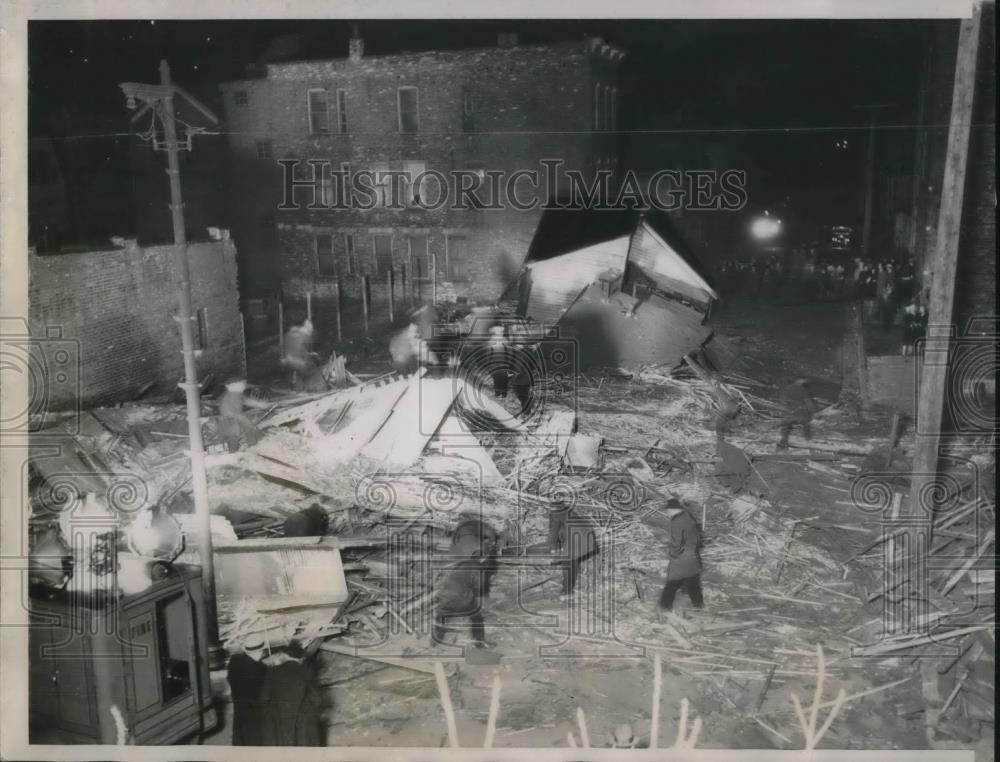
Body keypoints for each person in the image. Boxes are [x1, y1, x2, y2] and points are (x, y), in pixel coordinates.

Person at [658, 498, 704, 613]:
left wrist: (673, 554)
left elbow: (677, 542)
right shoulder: (688, 516)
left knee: (672, 583)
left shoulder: (676, 521)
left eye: (668, 510)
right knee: (693, 582)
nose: (667, 512)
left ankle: (664, 608)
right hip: (692, 555)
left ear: (674, 510)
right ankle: (699, 606)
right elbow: (697, 535)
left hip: (681, 558)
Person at [218, 379, 268, 452]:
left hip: (234, 418)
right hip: (229, 420)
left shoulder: (238, 395)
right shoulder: (231, 395)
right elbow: (225, 410)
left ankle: (253, 444)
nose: (244, 385)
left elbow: (247, 401)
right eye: (241, 383)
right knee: (234, 435)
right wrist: (239, 417)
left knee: (247, 428)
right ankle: (233, 453)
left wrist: (260, 404)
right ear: (233, 386)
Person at [777, 378, 818, 450]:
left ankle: (783, 443)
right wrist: (812, 412)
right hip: (801, 413)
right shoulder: (803, 390)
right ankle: (808, 442)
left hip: (789, 412)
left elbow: (783, 400)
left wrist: (785, 409)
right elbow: (808, 403)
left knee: (786, 428)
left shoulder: (788, 388)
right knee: (806, 426)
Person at [282, 318, 317, 390]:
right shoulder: (305, 335)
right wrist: (311, 355)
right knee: (310, 369)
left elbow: (286, 347)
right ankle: (307, 389)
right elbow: (302, 351)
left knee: (297, 373)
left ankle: (294, 387)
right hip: (298, 361)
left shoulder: (289, 333)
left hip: (287, 360)